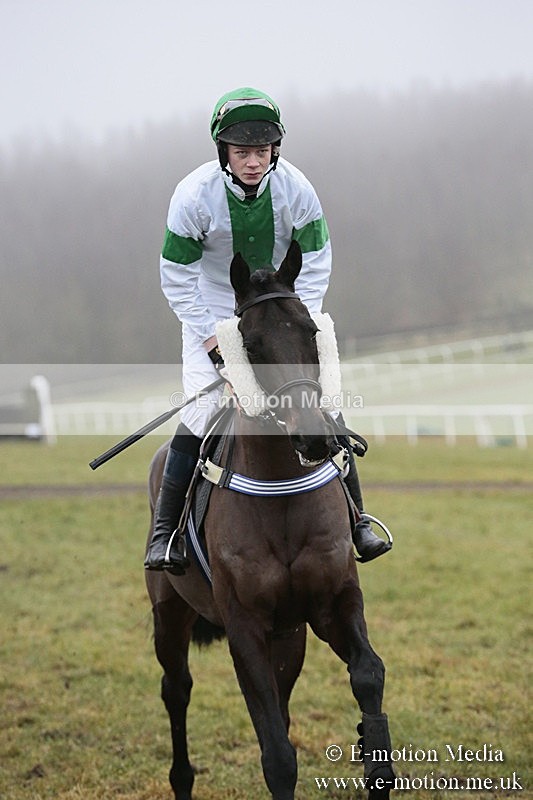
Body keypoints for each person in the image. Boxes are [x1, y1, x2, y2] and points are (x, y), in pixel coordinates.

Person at [144, 87, 390, 573]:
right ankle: (165, 533)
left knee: (324, 398)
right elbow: (176, 277)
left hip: (280, 299)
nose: (253, 162)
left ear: (274, 149)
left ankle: (359, 520)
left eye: (261, 151)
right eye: (242, 152)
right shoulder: (193, 196)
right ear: (224, 152)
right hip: (213, 303)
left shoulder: (298, 188)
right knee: (205, 407)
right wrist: (211, 339)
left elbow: (316, 259)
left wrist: (301, 318)